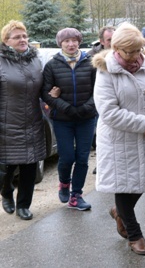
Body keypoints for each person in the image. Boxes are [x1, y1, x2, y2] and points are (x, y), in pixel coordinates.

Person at [93, 23, 145, 255]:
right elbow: (108, 111)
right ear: (116, 49)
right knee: (124, 185)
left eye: (138, 50)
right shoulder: (105, 70)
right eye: (129, 52)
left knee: (141, 183)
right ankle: (135, 235)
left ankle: (119, 212)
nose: (135, 56)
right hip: (119, 140)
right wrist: (142, 123)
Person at [41, 27, 97, 211]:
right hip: (62, 119)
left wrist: (84, 108)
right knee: (66, 157)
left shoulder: (91, 62)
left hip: (86, 118)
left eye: (74, 40)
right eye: (66, 41)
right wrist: (66, 108)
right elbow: (46, 93)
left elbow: (99, 90)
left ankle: (76, 196)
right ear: (61, 44)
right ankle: (64, 182)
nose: (71, 44)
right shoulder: (52, 65)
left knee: (82, 157)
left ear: (79, 42)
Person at [0, 21, 45, 221]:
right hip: (6, 123)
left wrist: (54, 94)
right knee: (6, 166)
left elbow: (44, 87)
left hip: (33, 120)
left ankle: (23, 206)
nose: (23, 40)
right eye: (17, 37)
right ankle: (6, 191)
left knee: (29, 166)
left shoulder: (35, 60)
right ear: (6, 41)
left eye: (25, 36)